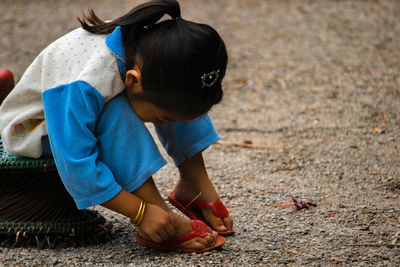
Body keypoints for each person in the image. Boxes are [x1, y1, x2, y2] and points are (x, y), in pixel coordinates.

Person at [0, 0, 234, 253]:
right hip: (33, 127)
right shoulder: (86, 83)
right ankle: (156, 210)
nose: (163, 124)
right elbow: (75, 164)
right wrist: (140, 212)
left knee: (184, 92)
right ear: (132, 80)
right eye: (160, 120)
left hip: (73, 112)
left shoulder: (148, 49)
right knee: (116, 110)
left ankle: (193, 181)